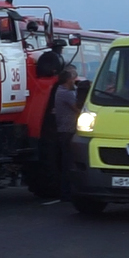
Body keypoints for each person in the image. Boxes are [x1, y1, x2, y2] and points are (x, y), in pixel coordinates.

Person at [53, 66, 80, 200]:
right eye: (73, 78)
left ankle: (66, 191)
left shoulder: (60, 90)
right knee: (69, 162)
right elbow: (77, 109)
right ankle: (66, 192)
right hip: (68, 130)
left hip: (63, 130)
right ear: (68, 80)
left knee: (66, 162)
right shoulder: (67, 93)